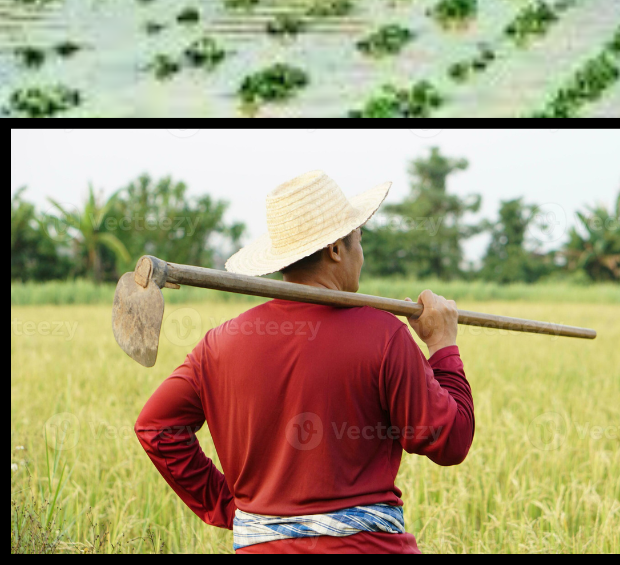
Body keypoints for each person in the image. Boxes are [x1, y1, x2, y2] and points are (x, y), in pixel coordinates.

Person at [135, 170, 473, 553]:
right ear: (335, 249)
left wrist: (232, 508)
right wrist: (443, 345)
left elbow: (156, 427)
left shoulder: (218, 345)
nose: (361, 256)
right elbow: (451, 441)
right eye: (359, 240)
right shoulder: (383, 335)